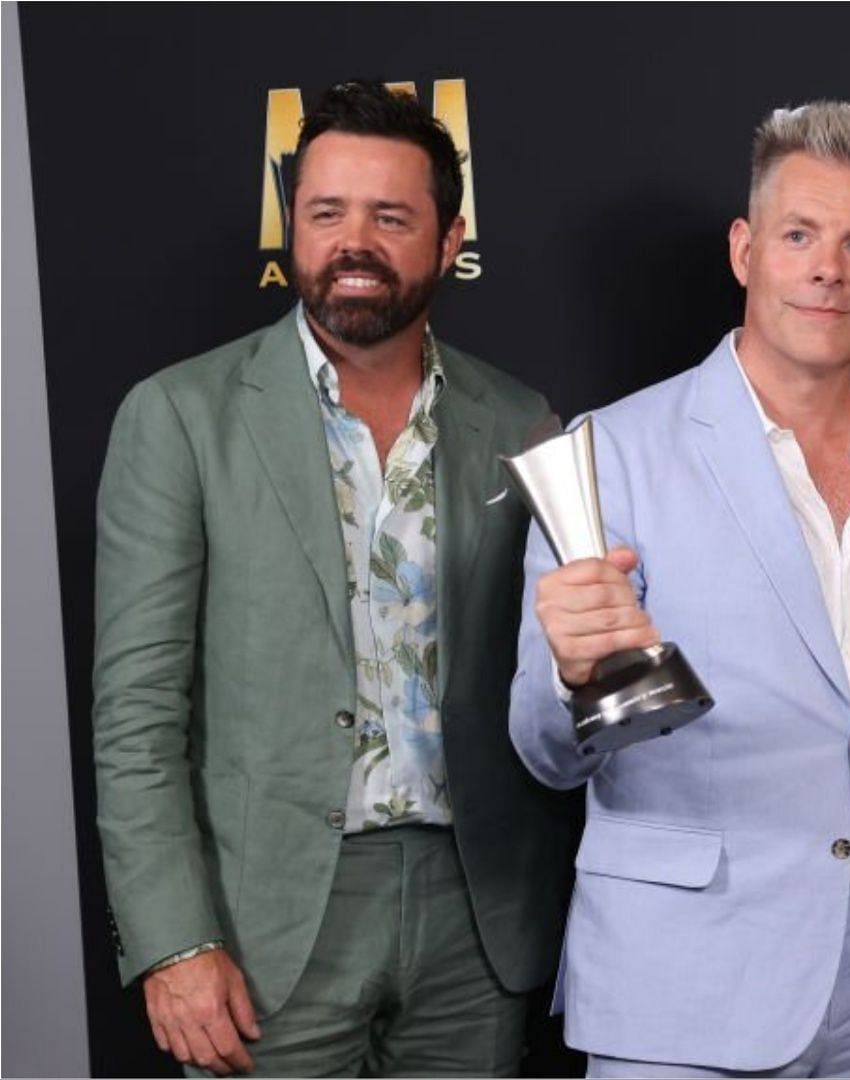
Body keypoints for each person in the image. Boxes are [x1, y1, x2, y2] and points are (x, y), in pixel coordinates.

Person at [509, 102, 850, 1079]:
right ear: (746, 252)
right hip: (684, 989)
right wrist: (572, 675)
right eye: (799, 236)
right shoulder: (611, 453)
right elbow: (544, 751)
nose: (827, 269)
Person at [92, 80, 572, 1077]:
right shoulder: (181, 416)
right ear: (292, 232)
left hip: (477, 916)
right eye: (326, 214)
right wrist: (175, 938)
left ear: (448, 240)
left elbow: (553, 681)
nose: (355, 242)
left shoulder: (522, 422)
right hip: (265, 920)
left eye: (391, 217)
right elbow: (135, 711)